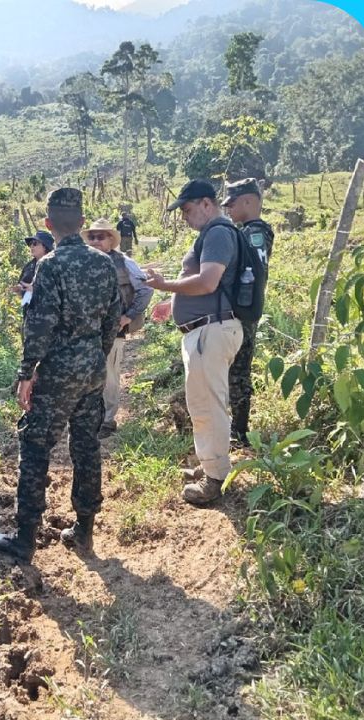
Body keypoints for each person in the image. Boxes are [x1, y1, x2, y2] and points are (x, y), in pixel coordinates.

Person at [0, 189, 121, 562]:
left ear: (48, 225)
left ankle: (25, 539)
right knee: (86, 446)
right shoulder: (104, 263)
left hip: (58, 372)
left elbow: (40, 325)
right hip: (93, 369)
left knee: (34, 448)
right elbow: (113, 319)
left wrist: (27, 372)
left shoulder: (50, 266)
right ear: (81, 223)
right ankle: (84, 532)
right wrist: (95, 354)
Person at [146, 179, 246, 506]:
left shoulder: (217, 232)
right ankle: (210, 466)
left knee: (209, 406)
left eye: (188, 210)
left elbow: (207, 282)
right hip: (205, 331)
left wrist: (165, 286)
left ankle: (216, 478)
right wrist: (173, 304)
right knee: (202, 405)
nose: (186, 217)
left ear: (206, 203)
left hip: (211, 331)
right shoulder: (211, 233)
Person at [83, 218, 154, 436]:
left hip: (113, 330)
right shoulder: (84, 262)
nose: (96, 241)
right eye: (92, 236)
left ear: (112, 240)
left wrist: (128, 316)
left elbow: (146, 289)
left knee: (110, 375)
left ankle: (108, 420)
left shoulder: (124, 262)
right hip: (87, 330)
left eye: (101, 236)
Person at [223, 177, 274, 447]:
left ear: (248, 201)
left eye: (232, 204)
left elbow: (251, 274)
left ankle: (239, 432)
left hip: (243, 313)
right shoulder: (246, 231)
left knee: (238, 372)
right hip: (240, 311)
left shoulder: (255, 233)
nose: (228, 209)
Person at [14, 230, 54, 301]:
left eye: (35, 243)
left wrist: (35, 291)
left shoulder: (55, 265)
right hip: (31, 309)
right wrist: (19, 289)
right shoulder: (28, 267)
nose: (31, 246)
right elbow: (21, 288)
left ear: (45, 247)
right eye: (30, 244)